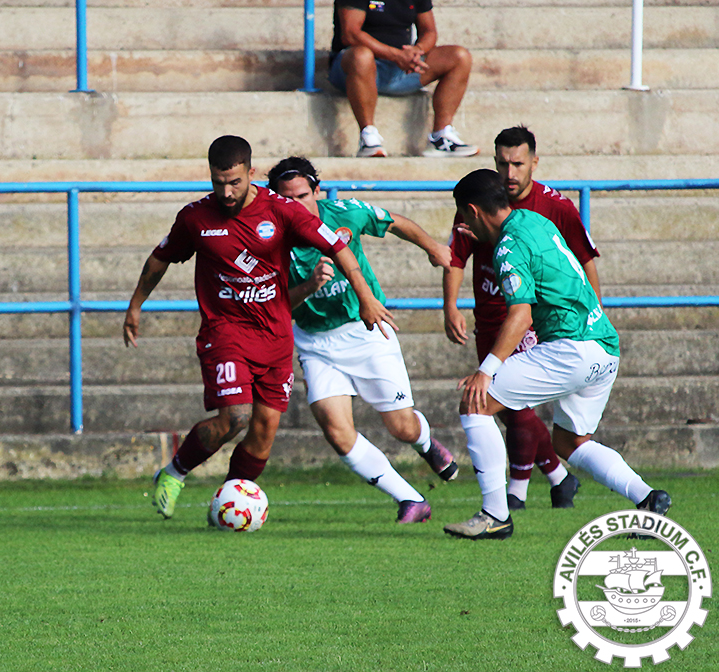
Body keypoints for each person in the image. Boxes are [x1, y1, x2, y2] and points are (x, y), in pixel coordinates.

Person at [124, 135, 395, 521]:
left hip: (275, 334)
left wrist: (366, 296)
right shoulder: (196, 218)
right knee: (234, 417)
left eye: (234, 182)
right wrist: (135, 305)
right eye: (218, 182)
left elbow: (336, 246)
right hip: (226, 331)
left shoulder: (281, 210)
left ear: (251, 173)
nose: (226, 192)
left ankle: (227, 503)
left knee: (264, 430)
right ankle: (174, 473)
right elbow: (159, 259)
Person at [443, 169, 669, 540]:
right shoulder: (535, 220)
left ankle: (495, 515)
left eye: (464, 216)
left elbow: (521, 316)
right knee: (570, 443)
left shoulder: (508, 248)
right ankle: (647, 498)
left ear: (473, 211)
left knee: (475, 402)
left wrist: (486, 371)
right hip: (604, 346)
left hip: (570, 348)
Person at [268, 157, 458, 524]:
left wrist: (432, 247)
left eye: (303, 196)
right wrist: (309, 286)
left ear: (316, 191)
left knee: (402, 428)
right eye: (287, 199)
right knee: (337, 432)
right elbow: (276, 307)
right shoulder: (269, 240)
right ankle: (410, 499)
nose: (296, 205)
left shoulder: (344, 213)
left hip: (365, 329)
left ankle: (424, 442)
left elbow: (394, 222)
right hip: (315, 342)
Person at [444, 126, 594, 512]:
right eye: (502, 163)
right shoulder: (479, 202)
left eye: (517, 164)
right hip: (489, 318)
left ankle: (513, 495)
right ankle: (558, 477)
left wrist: (592, 312)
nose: (509, 173)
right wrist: (450, 306)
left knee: (498, 403)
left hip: (526, 319)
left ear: (534, 163)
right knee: (509, 411)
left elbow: (584, 260)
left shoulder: (550, 209)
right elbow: (456, 256)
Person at [329, 0, 477, 160]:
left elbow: (429, 31)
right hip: (353, 69)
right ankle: (368, 137)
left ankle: (441, 136)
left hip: (399, 68)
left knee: (459, 56)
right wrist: (395, 55)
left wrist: (417, 51)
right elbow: (350, 34)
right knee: (361, 55)